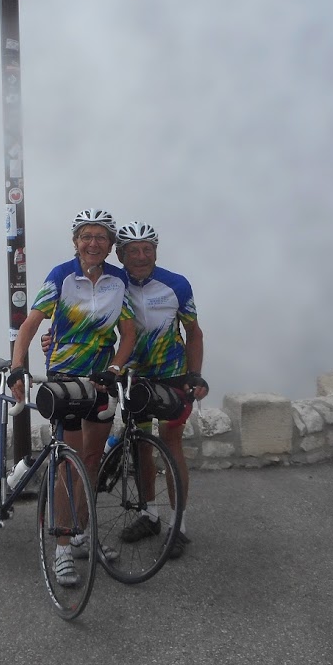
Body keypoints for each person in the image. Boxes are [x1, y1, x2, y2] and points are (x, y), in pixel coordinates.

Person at [9, 208, 137, 586]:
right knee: (68, 461)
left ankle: (83, 533)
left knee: (92, 460)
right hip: (66, 377)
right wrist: (19, 366)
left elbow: (128, 334)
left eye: (101, 237)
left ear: (111, 246)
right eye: (86, 236)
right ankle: (63, 546)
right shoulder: (61, 276)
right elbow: (30, 324)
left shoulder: (119, 281)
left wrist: (114, 369)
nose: (93, 243)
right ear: (76, 242)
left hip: (100, 379)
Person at [109, 221, 208, 559]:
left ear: (155, 251)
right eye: (133, 251)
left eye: (147, 249)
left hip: (172, 376)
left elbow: (194, 333)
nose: (141, 256)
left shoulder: (176, 284)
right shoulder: (113, 284)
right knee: (139, 445)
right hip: (134, 378)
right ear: (120, 255)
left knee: (171, 445)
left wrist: (194, 375)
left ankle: (178, 525)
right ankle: (148, 514)